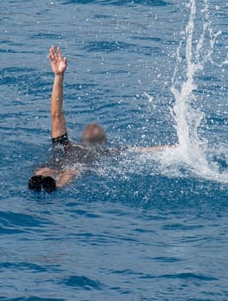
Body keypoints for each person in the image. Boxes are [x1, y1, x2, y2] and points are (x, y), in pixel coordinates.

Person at [28, 46, 172, 192]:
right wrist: (59, 76)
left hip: (76, 170)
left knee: (72, 173)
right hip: (58, 160)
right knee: (47, 170)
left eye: (97, 129)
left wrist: (178, 149)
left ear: (103, 141)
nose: (92, 128)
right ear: (82, 136)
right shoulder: (66, 145)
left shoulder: (108, 153)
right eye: (90, 128)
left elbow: (144, 151)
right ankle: (40, 179)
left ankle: (56, 186)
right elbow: (56, 115)